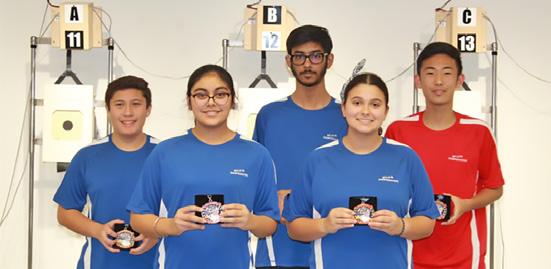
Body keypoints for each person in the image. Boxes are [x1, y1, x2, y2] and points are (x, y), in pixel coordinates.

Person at [127, 65, 279, 269]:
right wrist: (171, 225)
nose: (211, 102)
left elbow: (269, 224)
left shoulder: (257, 155)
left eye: (220, 94)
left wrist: (249, 220)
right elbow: (137, 218)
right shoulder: (165, 152)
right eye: (201, 95)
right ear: (189, 101)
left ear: (232, 100)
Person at [284, 72, 439, 269]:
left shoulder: (406, 157)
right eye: (357, 103)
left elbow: (427, 222)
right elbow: (294, 227)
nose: (365, 111)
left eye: (375, 105)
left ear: (385, 111)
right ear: (343, 108)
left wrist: (400, 226)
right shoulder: (317, 159)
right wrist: (324, 225)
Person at [385, 42, 505, 269]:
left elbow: (495, 188)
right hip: (410, 253)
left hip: (465, 255)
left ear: (460, 80)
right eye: (430, 73)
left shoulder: (479, 131)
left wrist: (465, 204)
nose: (438, 81)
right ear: (418, 80)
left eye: (447, 73)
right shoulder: (398, 131)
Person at [252, 24, 347, 269]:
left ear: (330, 59)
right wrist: (272, 198)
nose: (307, 64)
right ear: (288, 61)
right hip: (278, 250)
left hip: (334, 247)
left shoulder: (346, 116)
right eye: (299, 57)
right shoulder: (269, 116)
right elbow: (254, 178)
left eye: (316, 56)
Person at [53, 75, 159, 269]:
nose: (127, 112)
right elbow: (65, 212)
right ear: (108, 111)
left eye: (136, 104)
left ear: (148, 109)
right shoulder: (88, 156)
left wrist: (157, 232)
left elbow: (181, 213)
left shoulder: (164, 155)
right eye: (119, 105)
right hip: (97, 263)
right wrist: (98, 230)